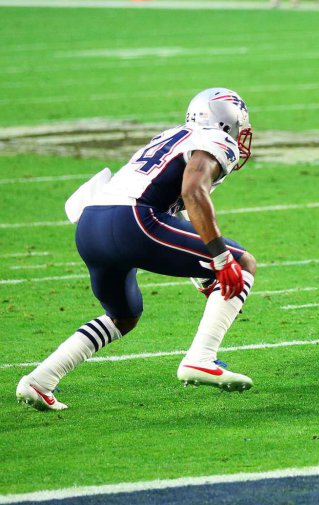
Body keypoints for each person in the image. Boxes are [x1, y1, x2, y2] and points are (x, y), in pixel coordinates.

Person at [15, 89, 256, 412]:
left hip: (90, 224)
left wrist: (205, 275)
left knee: (123, 315)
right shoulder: (217, 140)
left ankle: (40, 380)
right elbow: (193, 192)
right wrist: (221, 259)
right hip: (132, 221)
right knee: (242, 262)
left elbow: (182, 213)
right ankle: (201, 358)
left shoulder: (170, 136)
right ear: (226, 122)